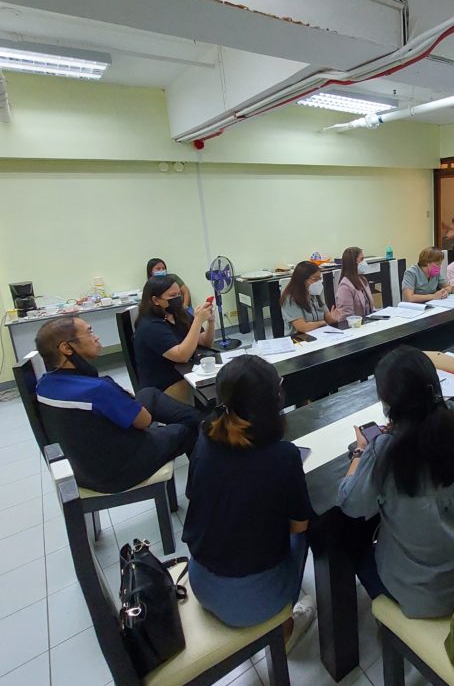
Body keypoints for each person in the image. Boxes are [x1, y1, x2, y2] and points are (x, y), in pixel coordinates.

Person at [337, 346, 454, 618]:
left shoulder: (385, 450)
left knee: (349, 540)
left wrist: (361, 453)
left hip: (428, 595)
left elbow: (350, 503)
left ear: (388, 404)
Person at [182, 356, 316, 647]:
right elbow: (298, 526)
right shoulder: (283, 456)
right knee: (308, 531)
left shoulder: (205, 435)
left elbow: (194, 493)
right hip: (254, 601)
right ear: (276, 399)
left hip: (200, 582)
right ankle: (284, 626)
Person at [34, 316, 201, 493]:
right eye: (89, 332)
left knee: (147, 393)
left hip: (82, 468)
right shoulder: (98, 389)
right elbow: (144, 421)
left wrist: (121, 398)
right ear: (66, 348)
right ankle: (199, 491)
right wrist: (121, 397)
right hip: (117, 472)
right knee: (187, 431)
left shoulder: (43, 384)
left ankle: (199, 419)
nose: (96, 337)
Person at [133, 276, 215, 397]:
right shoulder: (150, 326)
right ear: (155, 300)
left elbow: (205, 342)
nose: (177, 299)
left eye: (178, 295)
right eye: (172, 296)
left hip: (186, 371)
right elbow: (182, 356)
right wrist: (198, 321)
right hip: (165, 385)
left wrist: (210, 322)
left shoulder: (178, 313)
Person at [280, 261, 344, 335]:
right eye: (315, 279)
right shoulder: (290, 299)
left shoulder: (315, 294)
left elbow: (328, 319)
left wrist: (335, 318)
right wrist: (321, 323)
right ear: (302, 279)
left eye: (320, 279)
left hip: (320, 335)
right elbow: (302, 327)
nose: (318, 282)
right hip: (299, 339)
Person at [335, 247, 375, 318]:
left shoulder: (363, 279)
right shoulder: (345, 286)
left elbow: (370, 307)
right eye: (361, 259)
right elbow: (346, 316)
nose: (364, 262)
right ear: (353, 262)